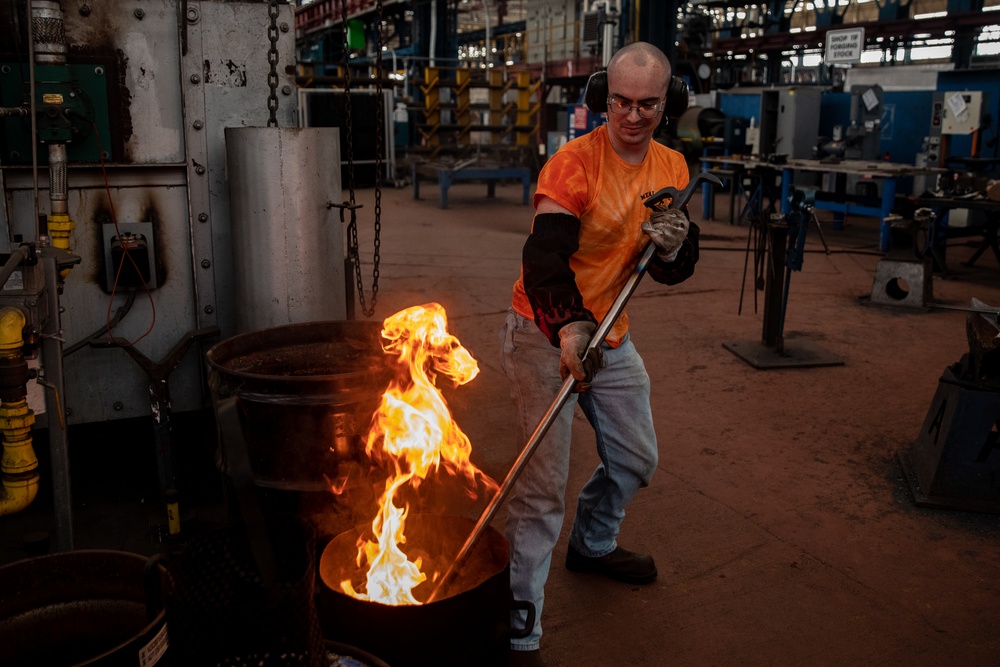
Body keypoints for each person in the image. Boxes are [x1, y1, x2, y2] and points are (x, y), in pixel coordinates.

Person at [499, 41, 699, 667]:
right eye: (620, 102)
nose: (633, 116)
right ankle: (520, 625)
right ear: (599, 97)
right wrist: (567, 330)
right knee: (540, 489)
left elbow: (669, 269)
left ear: (670, 104)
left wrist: (672, 248)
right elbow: (544, 261)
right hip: (544, 329)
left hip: (611, 331)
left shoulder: (672, 167)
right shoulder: (572, 165)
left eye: (648, 104)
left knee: (636, 459)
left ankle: (593, 543)